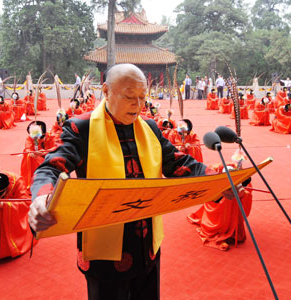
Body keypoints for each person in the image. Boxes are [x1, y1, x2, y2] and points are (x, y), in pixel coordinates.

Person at [27, 64, 238, 300]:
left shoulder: (149, 127)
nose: (138, 106)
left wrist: (218, 180)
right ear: (106, 91)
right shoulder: (82, 128)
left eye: (141, 97)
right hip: (103, 252)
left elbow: (177, 164)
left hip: (147, 245)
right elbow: (52, 166)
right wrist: (41, 197)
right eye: (129, 97)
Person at [188, 164, 252, 251]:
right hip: (220, 189)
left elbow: (244, 188)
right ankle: (221, 228)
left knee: (237, 196)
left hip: (234, 186)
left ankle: (230, 227)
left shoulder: (240, 176)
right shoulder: (215, 171)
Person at [20, 121, 55, 191]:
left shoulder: (51, 136)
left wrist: (44, 152)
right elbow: (27, 148)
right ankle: (31, 181)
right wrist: (31, 153)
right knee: (28, 156)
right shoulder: (30, 138)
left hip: (48, 157)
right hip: (36, 159)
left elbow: (56, 147)